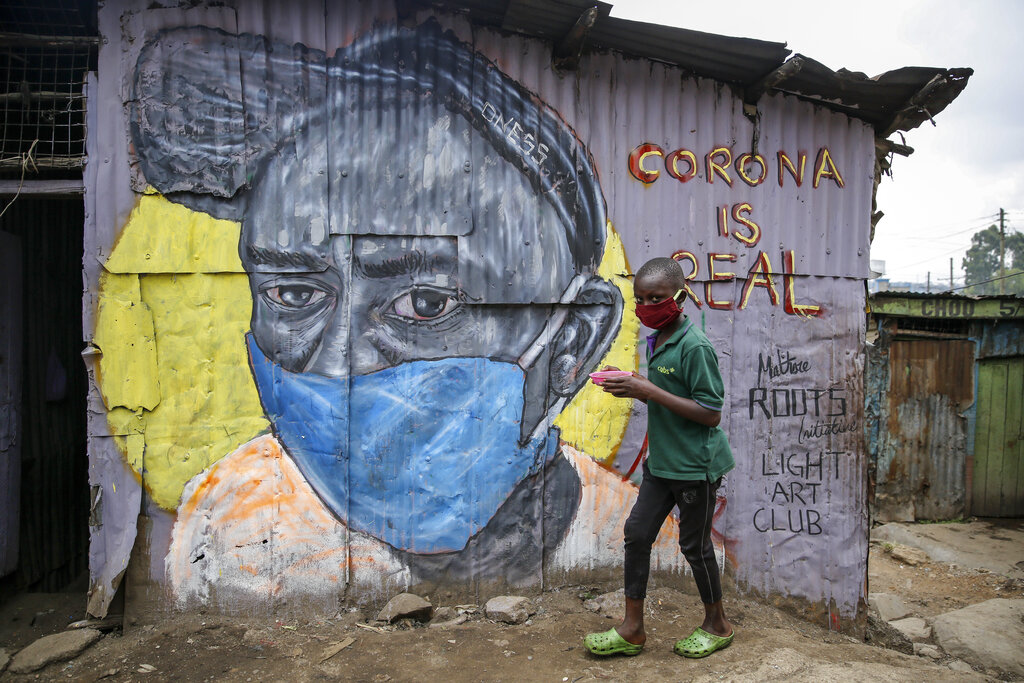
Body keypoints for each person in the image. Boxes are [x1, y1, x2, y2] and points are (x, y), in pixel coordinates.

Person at [129, 21, 688, 604]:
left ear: (571, 344)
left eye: (425, 305)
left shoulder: (646, 548)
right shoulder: (225, 528)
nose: (339, 363)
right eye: (294, 296)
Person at [584, 256, 735, 658]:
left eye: (658, 297)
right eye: (643, 298)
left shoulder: (695, 346)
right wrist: (634, 383)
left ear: (680, 297)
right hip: (662, 463)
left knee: (695, 547)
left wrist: (647, 390)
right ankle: (632, 629)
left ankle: (717, 624)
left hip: (695, 467)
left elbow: (710, 411)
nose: (649, 305)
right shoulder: (659, 339)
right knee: (637, 534)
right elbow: (670, 393)